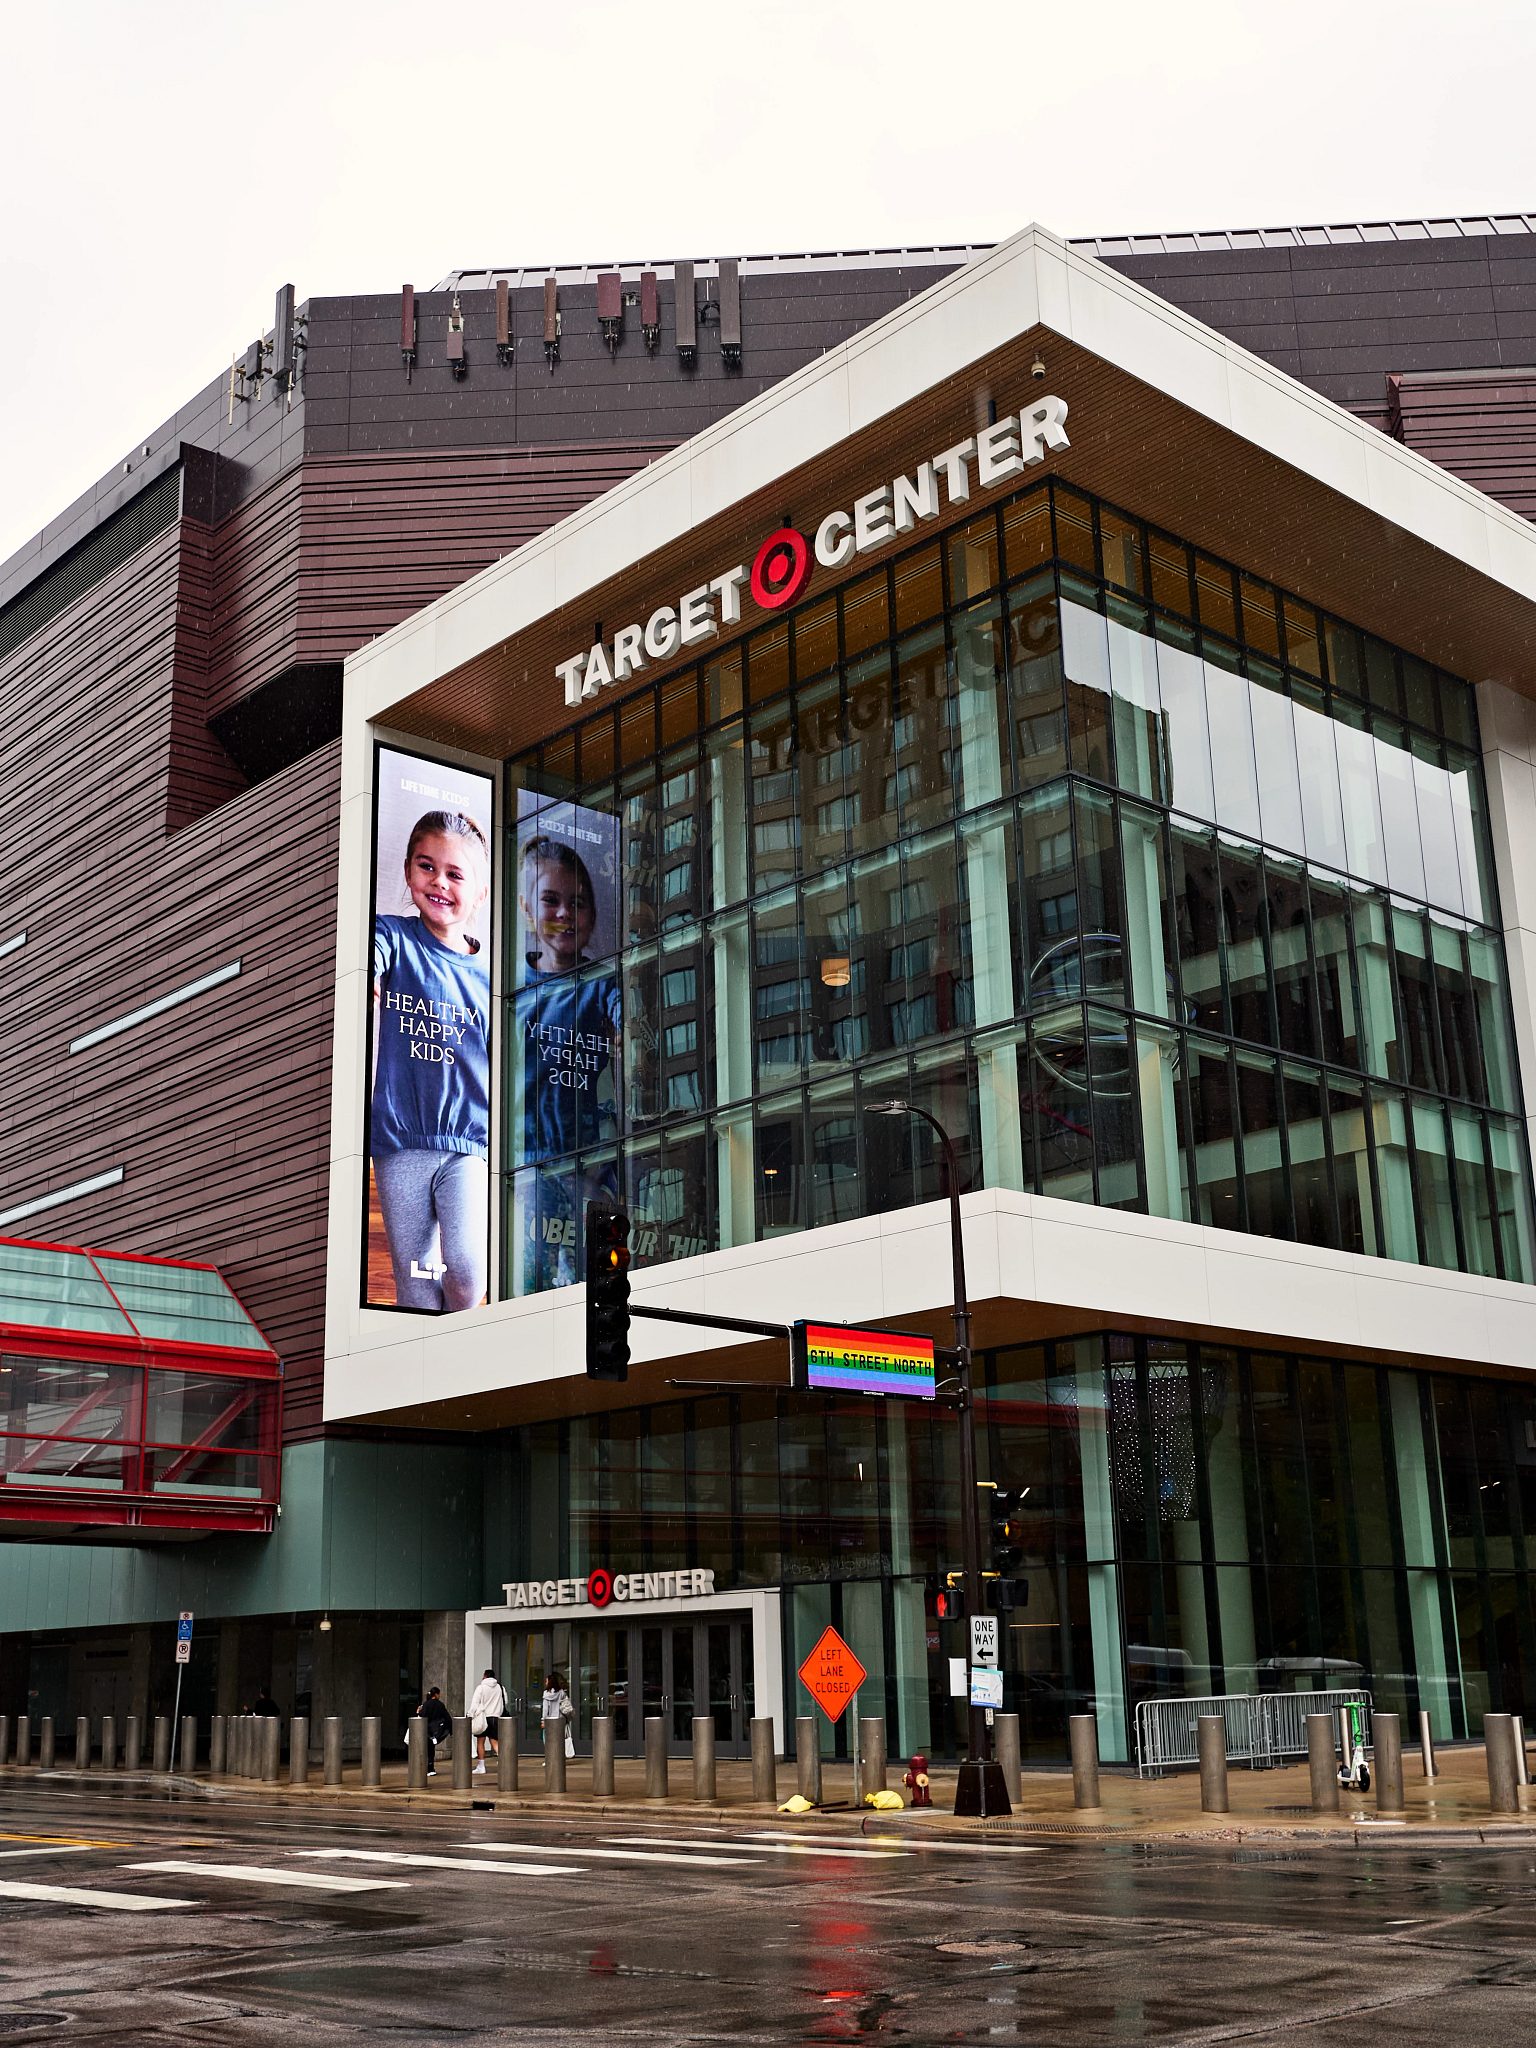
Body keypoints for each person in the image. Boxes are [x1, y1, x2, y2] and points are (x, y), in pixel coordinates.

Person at [371, 808, 492, 1313]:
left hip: (469, 1141)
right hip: (400, 1141)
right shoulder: (392, 936)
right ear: (407, 872)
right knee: (415, 1287)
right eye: (426, 867)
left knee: (466, 1271)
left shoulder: (491, 978)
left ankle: (460, 1362)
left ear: (480, 892)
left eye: (455, 874)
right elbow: (367, 956)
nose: (439, 882)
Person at [512, 836, 623, 1291]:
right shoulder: (513, 987)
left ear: (592, 915)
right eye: (550, 901)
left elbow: (626, 1019)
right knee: (529, 1274)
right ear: (526, 908)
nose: (563, 914)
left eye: (576, 903)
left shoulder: (601, 984)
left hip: (586, 1163)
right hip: (529, 1162)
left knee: (593, 1282)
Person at [468, 1666, 506, 1775]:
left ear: (485, 1676)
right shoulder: (500, 1687)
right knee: (494, 1741)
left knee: (481, 1741)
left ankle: (481, 1766)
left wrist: (470, 1714)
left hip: (483, 1718)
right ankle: (504, 1763)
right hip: (495, 1717)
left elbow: (475, 1703)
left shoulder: (481, 1687)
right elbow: (505, 1701)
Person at [413, 1685, 453, 1777]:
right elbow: (447, 1718)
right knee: (431, 1750)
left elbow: (422, 1716)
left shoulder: (426, 1704)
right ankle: (430, 1768)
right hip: (436, 1731)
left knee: (424, 1749)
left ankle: (422, 1768)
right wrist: (451, 1731)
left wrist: (418, 1711)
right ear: (436, 1694)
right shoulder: (440, 1705)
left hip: (426, 1730)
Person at [540, 1671, 574, 1760]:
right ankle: (560, 1757)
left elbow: (545, 1709)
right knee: (560, 1739)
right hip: (560, 1720)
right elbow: (566, 1705)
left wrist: (543, 1720)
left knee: (548, 1740)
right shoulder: (562, 1693)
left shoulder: (546, 1694)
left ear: (550, 1682)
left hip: (550, 1721)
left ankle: (550, 1758)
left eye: (546, 1681)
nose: (545, 1682)